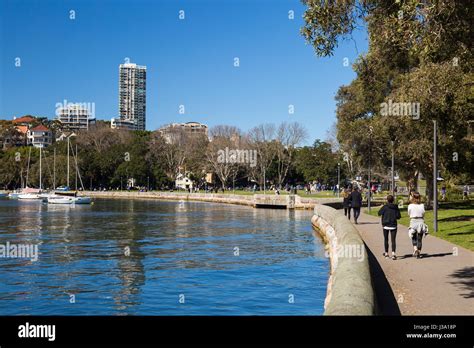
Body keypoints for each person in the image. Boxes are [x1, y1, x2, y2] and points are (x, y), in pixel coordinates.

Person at [378, 195, 401, 260]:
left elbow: (379, 213)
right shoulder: (395, 207)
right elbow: (398, 216)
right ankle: (393, 254)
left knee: (386, 239)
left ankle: (386, 253)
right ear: (393, 200)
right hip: (393, 225)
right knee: (393, 240)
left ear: (387, 200)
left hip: (385, 225)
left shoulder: (385, 207)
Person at [407, 192, 428, 259]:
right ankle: (418, 251)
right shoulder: (422, 205)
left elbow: (409, 213)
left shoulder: (410, 205)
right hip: (420, 221)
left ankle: (415, 249)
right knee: (419, 238)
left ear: (413, 198)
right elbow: (423, 213)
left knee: (413, 237)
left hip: (413, 221)